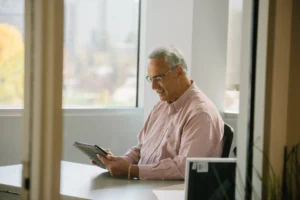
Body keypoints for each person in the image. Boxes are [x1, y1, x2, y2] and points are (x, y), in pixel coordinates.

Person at [93, 46, 224, 180]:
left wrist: (132, 170)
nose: (153, 87)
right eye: (151, 79)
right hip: (146, 187)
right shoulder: (162, 105)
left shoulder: (201, 114)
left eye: (159, 78)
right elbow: (141, 148)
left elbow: (183, 168)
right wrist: (117, 162)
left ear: (179, 71)